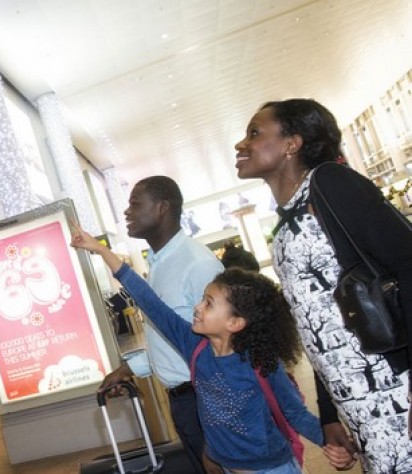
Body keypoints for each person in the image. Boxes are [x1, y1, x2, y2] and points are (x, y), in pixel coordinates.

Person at [234, 98, 412, 472]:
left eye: (254, 133)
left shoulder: (330, 183)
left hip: (395, 385)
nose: (241, 144)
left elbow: (407, 264)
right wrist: (330, 414)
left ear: (291, 143)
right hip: (358, 401)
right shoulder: (286, 222)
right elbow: (314, 322)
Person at [72, 228, 330, 472]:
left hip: (273, 468)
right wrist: (101, 250)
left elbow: (294, 412)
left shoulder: (260, 362)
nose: (197, 307)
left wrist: (332, 442)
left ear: (235, 322)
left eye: (208, 303)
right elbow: (149, 302)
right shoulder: (194, 347)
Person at [98, 176, 224, 473]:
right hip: (184, 402)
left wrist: (219, 430)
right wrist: (130, 369)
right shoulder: (159, 263)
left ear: (162, 208)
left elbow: (224, 344)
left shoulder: (197, 264)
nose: (127, 212)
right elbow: (173, 335)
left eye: (135, 204)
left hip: (207, 400)